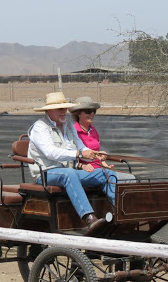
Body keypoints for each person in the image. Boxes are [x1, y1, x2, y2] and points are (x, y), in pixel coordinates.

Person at [27, 92, 116, 235]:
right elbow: (51, 152)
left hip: (70, 172)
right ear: (49, 111)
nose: (64, 112)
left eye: (65, 108)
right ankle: (89, 218)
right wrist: (79, 154)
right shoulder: (40, 127)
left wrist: (96, 155)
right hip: (45, 173)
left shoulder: (68, 126)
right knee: (70, 174)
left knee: (107, 173)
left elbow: (81, 146)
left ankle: (119, 212)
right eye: (60, 109)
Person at [70, 96, 136, 182]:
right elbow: (71, 157)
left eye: (94, 111)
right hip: (85, 171)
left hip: (100, 170)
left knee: (130, 177)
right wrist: (82, 166)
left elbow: (98, 155)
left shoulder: (93, 130)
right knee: (125, 178)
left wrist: (106, 166)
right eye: (88, 111)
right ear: (78, 113)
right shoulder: (73, 131)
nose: (92, 114)